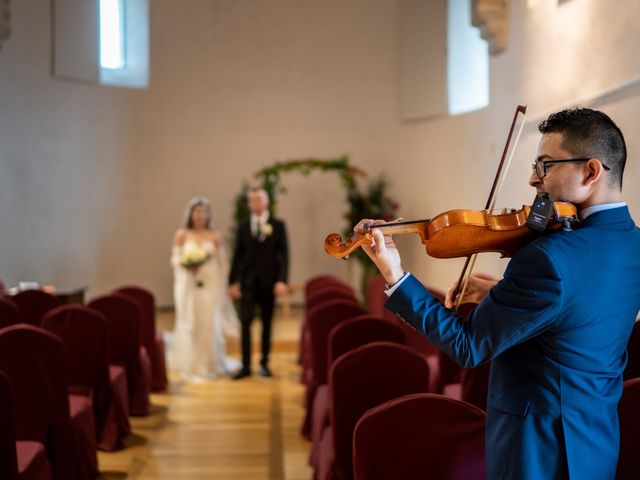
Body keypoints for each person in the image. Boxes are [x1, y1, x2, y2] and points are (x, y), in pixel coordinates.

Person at [355, 108, 640, 479]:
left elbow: (469, 346)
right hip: (595, 442)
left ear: (590, 171)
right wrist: (495, 290)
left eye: (545, 166)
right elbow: (583, 307)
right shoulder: (632, 244)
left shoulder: (549, 257)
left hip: (536, 451)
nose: (533, 180)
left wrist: (395, 274)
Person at [169, 198, 240, 381]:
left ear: (208, 214)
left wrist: (224, 284)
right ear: (191, 214)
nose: (200, 215)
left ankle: (210, 362)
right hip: (189, 285)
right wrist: (187, 265)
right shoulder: (181, 234)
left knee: (209, 322)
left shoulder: (215, 235)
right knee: (190, 322)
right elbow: (175, 259)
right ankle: (189, 362)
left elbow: (223, 264)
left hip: (210, 284)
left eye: (204, 211)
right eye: (197, 211)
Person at [228, 187, 289, 379]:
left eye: (258, 199)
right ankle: (245, 365)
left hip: (269, 282)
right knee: (245, 323)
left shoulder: (278, 225)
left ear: (266, 201)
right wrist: (232, 282)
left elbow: (284, 255)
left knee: (267, 323)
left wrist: (281, 280)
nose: (254, 203)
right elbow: (237, 255)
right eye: (251, 200)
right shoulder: (243, 225)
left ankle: (264, 363)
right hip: (247, 282)